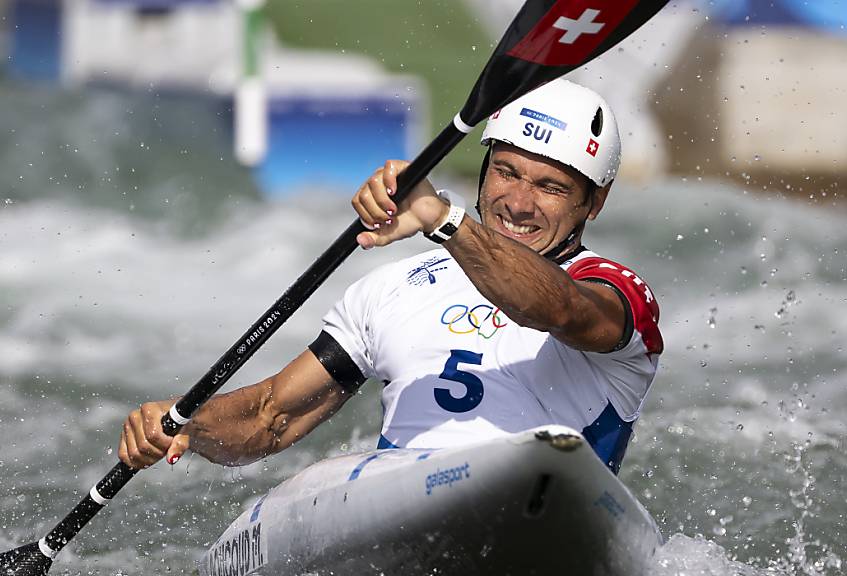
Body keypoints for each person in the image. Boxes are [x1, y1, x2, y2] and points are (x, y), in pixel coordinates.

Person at [118, 79, 663, 476]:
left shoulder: (616, 295)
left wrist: (443, 219)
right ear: (483, 168)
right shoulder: (391, 289)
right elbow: (271, 417)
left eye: (550, 187)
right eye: (506, 172)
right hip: (399, 507)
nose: (518, 203)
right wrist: (188, 425)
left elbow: (556, 310)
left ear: (596, 202)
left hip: (544, 510)